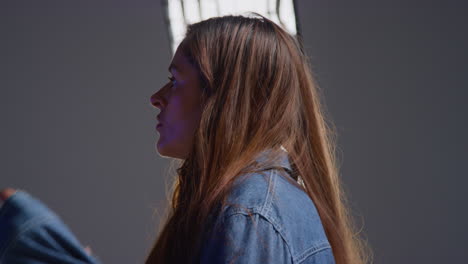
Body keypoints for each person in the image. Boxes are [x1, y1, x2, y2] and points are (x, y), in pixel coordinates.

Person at [0, 13, 372, 264]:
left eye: (176, 81)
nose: (156, 97)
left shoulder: (248, 213)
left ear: (224, 99)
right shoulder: (261, 201)